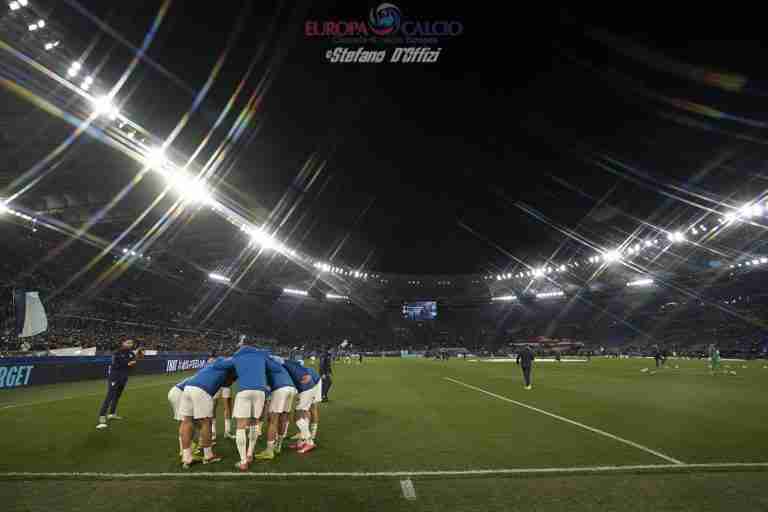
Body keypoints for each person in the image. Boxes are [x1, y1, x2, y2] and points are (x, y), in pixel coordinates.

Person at [178, 357, 236, 468]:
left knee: (186, 421)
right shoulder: (229, 367)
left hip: (188, 387)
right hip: (202, 390)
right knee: (206, 423)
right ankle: (208, 455)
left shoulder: (213, 366)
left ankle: (186, 457)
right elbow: (228, 383)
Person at [224, 342, 269, 471]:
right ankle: (250, 454)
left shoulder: (237, 357)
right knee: (254, 422)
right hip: (261, 391)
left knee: (241, 426)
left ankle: (243, 461)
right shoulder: (261, 356)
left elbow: (221, 365)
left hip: (244, 391)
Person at [254, 355, 297, 460]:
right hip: (291, 389)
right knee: (283, 418)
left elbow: (266, 386)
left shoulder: (265, 365)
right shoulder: (277, 364)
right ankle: (278, 446)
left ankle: (269, 451)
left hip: (280, 389)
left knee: (273, 420)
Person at [96, 339, 137, 429]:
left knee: (117, 396)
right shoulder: (117, 353)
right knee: (109, 396)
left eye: (131, 343)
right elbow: (118, 364)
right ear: (123, 343)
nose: (130, 344)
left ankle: (111, 414)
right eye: (128, 342)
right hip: (115, 377)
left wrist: (131, 363)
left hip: (124, 378)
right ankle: (101, 418)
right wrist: (129, 363)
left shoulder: (131, 353)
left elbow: (132, 365)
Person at [283, 359, 321, 454]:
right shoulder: (298, 369)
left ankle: (309, 441)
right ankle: (302, 440)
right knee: (302, 413)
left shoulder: (296, 371)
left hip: (309, 388)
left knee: (299, 416)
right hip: (308, 389)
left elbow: (306, 380)